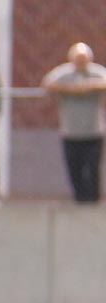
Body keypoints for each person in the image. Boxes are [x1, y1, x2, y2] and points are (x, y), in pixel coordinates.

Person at [42, 43, 106, 204]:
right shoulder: (65, 73)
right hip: (70, 132)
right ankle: (80, 200)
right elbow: (47, 84)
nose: (81, 63)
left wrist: (87, 87)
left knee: (92, 169)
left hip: (93, 132)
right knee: (74, 169)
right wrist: (71, 89)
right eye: (78, 59)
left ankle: (93, 200)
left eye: (83, 59)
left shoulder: (96, 73)